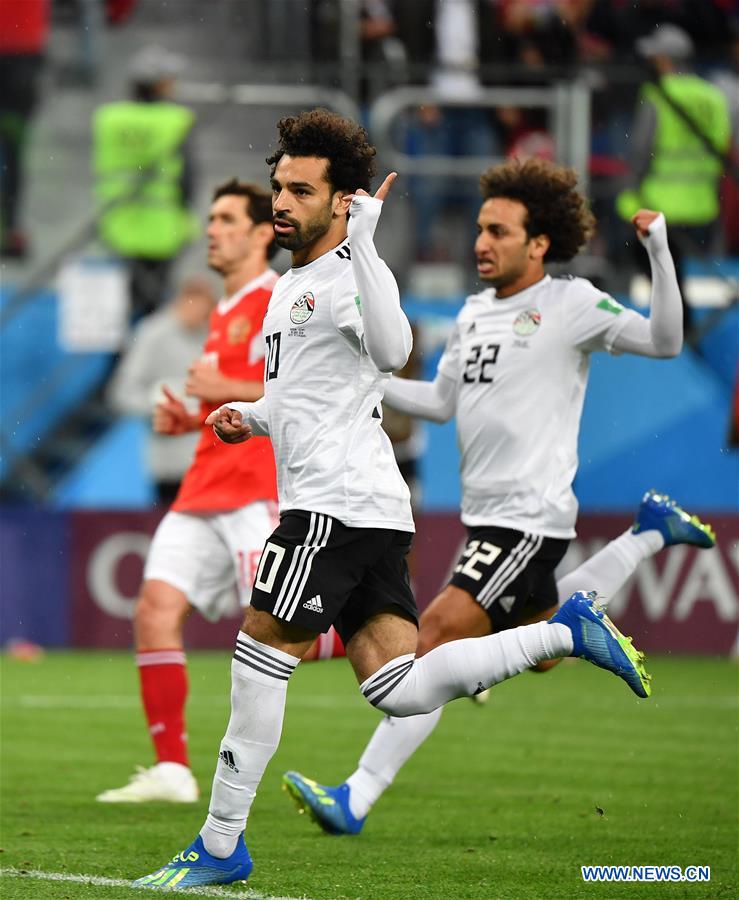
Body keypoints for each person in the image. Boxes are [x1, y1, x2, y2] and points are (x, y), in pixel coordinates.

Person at [133, 110, 652, 890]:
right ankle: (562, 633)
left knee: (258, 654)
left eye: (301, 191)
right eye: (280, 186)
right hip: (365, 506)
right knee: (397, 687)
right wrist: (252, 416)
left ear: (343, 202)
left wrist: (366, 245)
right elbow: (310, 396)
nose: (283, 201)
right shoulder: (291, 286)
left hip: (333, 507)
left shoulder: (350, 271)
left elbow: (392, 350)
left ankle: (219, 843)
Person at [280, 156, 717, 836]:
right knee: (544, 653)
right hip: (486, 515)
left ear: (538, 243)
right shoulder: (474, 313)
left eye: (499, 231)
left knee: (428, 644)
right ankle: (650, 532)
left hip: (526, 518)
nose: (481, 242)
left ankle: (354, 798)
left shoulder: (570, 303)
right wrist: (364, 382)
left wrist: (658, 249)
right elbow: (439, 402)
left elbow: (665, 341)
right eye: (481, 228)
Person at [96, 179, 280, 804]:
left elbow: (302, 391)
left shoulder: (278, 300)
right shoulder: (225, 310)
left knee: (286, 634)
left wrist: (223, 389)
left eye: (226, 219)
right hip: (202, 489)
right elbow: (231, 402)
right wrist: (191, 416)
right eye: (210, 219)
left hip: (257, 491)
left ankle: (411, 647)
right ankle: (172, 768)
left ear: (262, 233)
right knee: (154, 609)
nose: (211, 230)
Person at [616, 24, 732, 334]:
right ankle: (686, 327)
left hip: (659, 201)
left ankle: (680, 327)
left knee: (653, 264)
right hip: (704, 203)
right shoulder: (713, 95)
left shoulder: (658, 94)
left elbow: (640, 149)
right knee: (681, 271)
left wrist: (629, 190)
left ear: (665, 59)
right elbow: (723, 145)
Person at [92, 44, 199, 319]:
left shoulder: (109, 118)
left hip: (117, 221)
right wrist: (186, 215)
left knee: (122, 303)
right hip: (162, 225)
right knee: (155, 305)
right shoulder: (175, 120)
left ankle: (124, 342)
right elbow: (187, 179)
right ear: (160, 84)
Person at [107, 275, 216, 506]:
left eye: (205, 311)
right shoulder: (152, 333)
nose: (199, 316)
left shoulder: (214, 335)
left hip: (212, 462)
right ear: (180, 301)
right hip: (170, 462)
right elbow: (123, 392)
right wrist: (162, 406)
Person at [0, 0, 49, 258]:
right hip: (22, 53)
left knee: (11, 151)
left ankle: (9, 230)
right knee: (12, 152)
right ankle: (9, 229)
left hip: (21, 52)